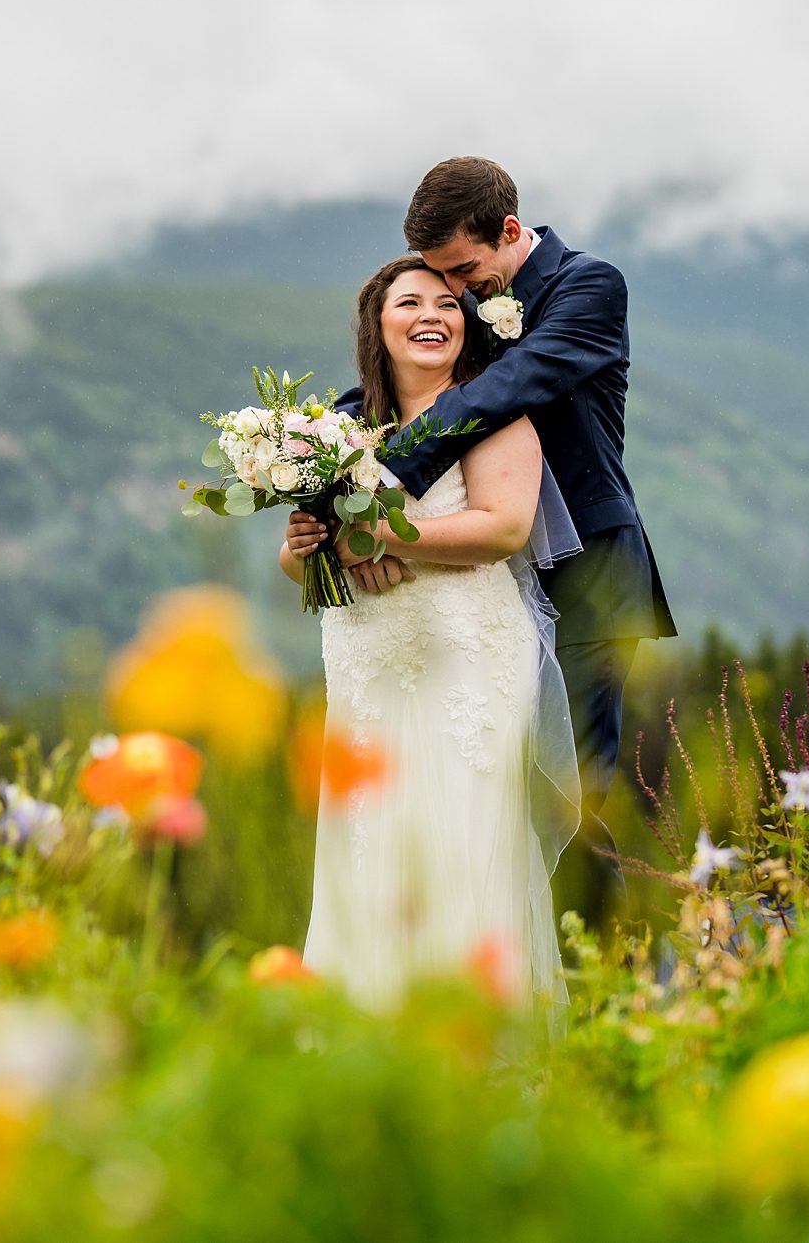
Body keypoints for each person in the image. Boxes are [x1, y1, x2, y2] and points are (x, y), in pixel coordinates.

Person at [330, 157, 676, 918]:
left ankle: (600, 993)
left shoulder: (589, 286)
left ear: (511, 232)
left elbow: (505, 387)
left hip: (585, 572)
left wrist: (386, 478)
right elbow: (414, 378)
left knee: (572, 797)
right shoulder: (466, 296)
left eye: (461, 271)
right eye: (435, 277)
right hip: (484, 590)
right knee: (478, 792)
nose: (452, 292)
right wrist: (320, 459)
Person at [283, 256, 575, 1007]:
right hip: (366, 665)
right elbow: (296, 561)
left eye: (448, 303)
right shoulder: (342, 431)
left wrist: (381, 536)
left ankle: (473, 1042)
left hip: (467, 659)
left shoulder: (491, 411)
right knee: (368, 842)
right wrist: (313, 542)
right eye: (408, 302)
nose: (431, 315)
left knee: (460, 841)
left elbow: (504, 527)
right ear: (376, 327)